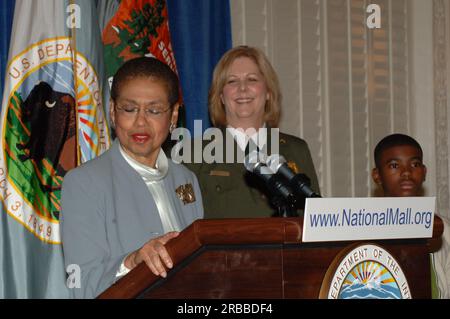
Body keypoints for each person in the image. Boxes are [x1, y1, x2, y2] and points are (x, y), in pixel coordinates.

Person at [60, 57, 204, 298]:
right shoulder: (83, 183)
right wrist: (132, 261)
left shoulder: (186, 178)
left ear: (174, 116)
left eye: (154, 110)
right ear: (112, 112)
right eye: (129, 109)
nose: (140, 121)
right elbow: (81, 285)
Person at [181, 45, 320, 219]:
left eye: (252, 79)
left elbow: (315, 221)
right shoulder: (192, 154)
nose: (243, 88)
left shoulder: (296, 149)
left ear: (268, 91)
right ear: (221, 96)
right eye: (232, 81)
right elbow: (183, 225)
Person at [371, 133, 450, 298]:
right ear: (377, 175)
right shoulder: (364, 226)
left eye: (415, 164)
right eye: (394, 165)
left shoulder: (442, 227)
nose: (407, 172)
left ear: (424, 171)